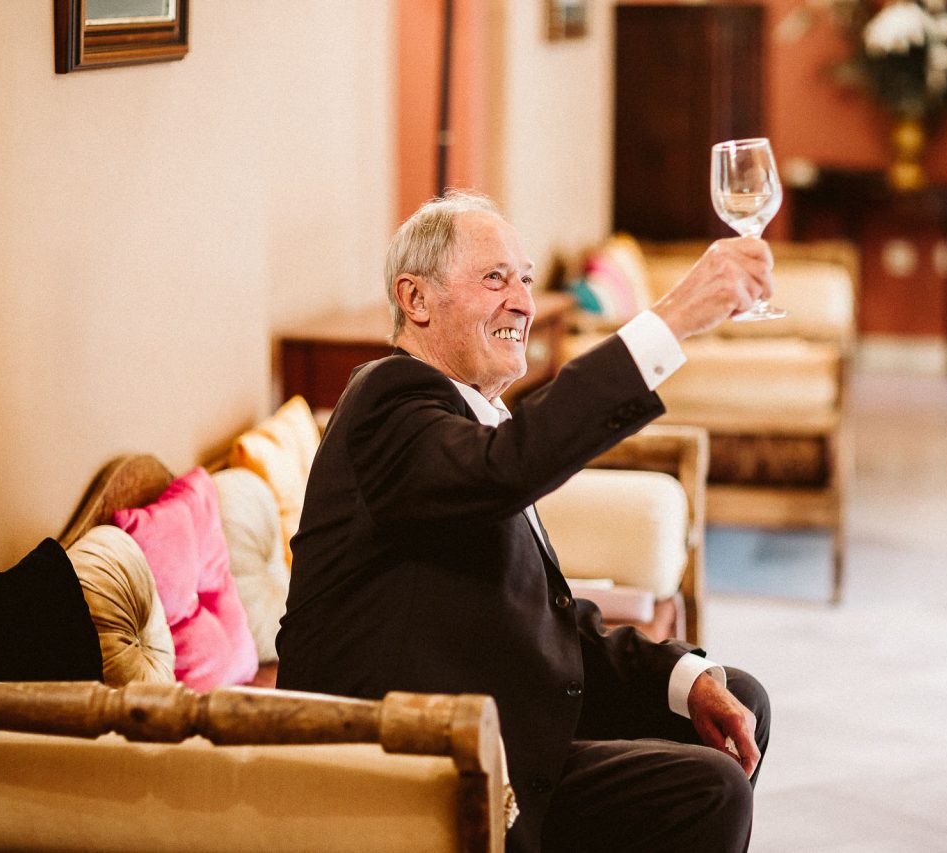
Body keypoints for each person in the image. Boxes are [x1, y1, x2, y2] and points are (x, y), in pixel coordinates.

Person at [276, 191, 773, 853]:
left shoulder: (467, 416)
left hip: (499, 721)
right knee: (709, 785)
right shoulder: (387, 402)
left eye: (526, 279)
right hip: (420, 766)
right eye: (494, 278)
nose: (523, 301)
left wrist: (684, 675)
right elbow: (506, 468)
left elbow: (543, 618)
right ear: (416, 299)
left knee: (736, 695)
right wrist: (671, 319)